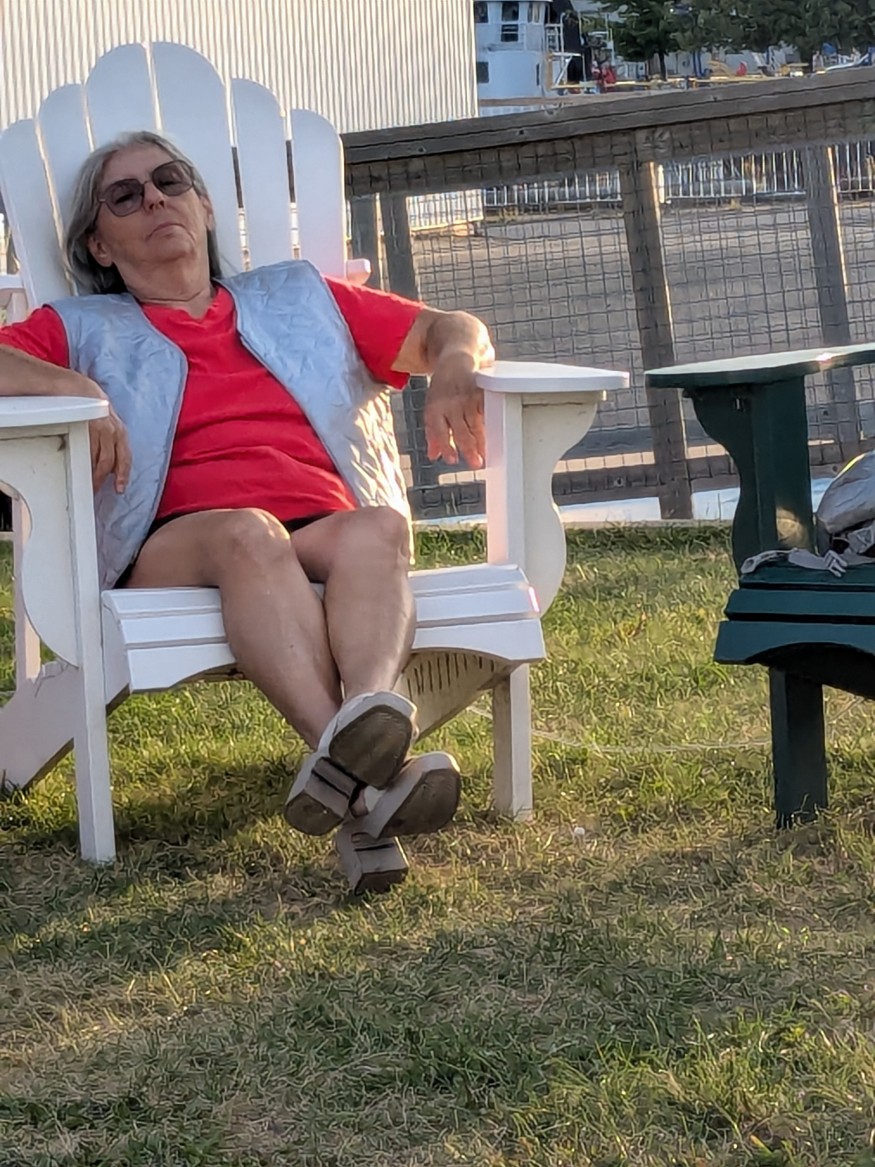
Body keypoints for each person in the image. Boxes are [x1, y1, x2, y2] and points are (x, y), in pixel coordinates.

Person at [0, 130, 495, 871]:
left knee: (380, 528)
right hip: (172, 541)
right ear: (99, 245)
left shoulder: (301, 298)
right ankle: (359, 761)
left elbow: (449, 329)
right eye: (125, 196)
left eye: (170, 180)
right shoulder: (79, 328)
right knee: (248, 533)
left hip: (319, 522)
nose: (155, 199)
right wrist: (75, 386)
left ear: (203, 206)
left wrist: (454, 362)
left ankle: (362, 741)